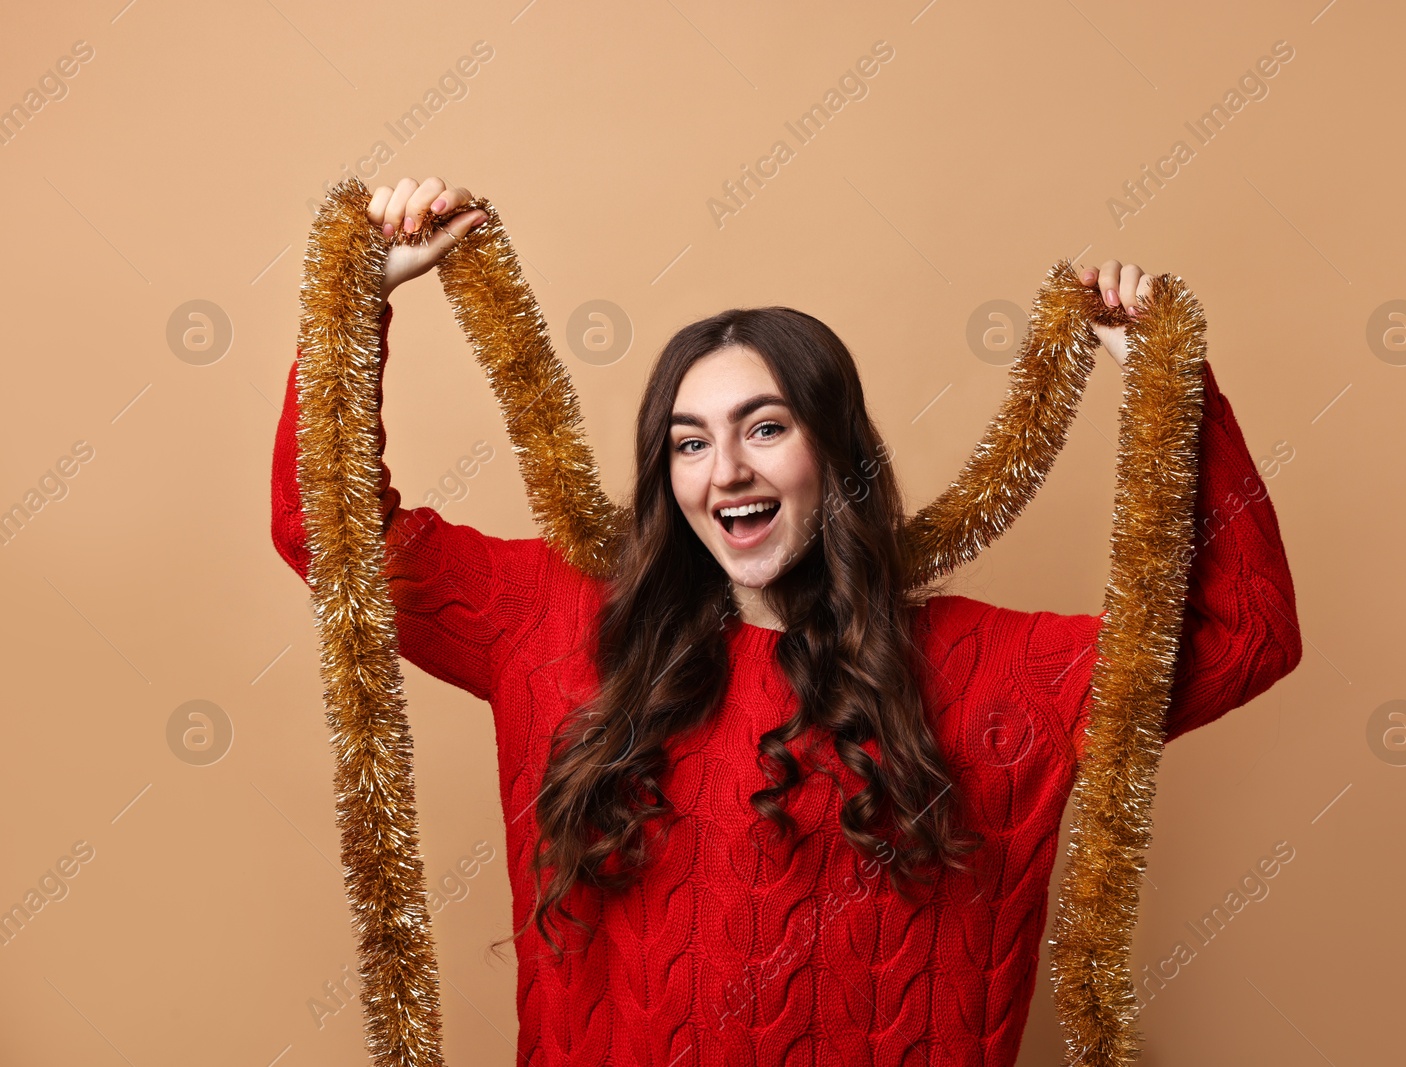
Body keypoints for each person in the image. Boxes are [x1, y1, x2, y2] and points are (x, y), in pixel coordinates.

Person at [270, 176, 1303, 1066]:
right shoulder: (550, 620)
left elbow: (1244, 636)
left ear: (837, 453)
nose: (725, 471)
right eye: (687, 442)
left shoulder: (996, 672)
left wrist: (1177, 392)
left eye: (765, 428)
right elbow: (325, 530)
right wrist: (356, 303)